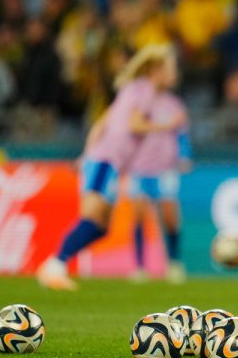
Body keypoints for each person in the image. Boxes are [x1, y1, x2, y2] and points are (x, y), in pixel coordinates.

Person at [36, 44, 182, 290]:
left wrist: (87, 153)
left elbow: (101, 123)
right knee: (92, 217)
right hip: (106, 160)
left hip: (105, 161)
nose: (174, 73)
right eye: (170, 68)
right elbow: (135, 126)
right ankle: (54, 265)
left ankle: (56, 264)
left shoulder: (131, 90)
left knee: (101, 226)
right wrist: (167, 126)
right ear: (156, 70)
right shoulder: (145, 90)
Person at [127, 88, 191, 284]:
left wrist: (184, 155)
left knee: (170, 215)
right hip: (139, 165)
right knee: (138, 214)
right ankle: (139, 267)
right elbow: (130, 132)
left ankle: (174, 263)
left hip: (165, 166)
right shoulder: (137, 101)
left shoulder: (173, 104)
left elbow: (182, 133)